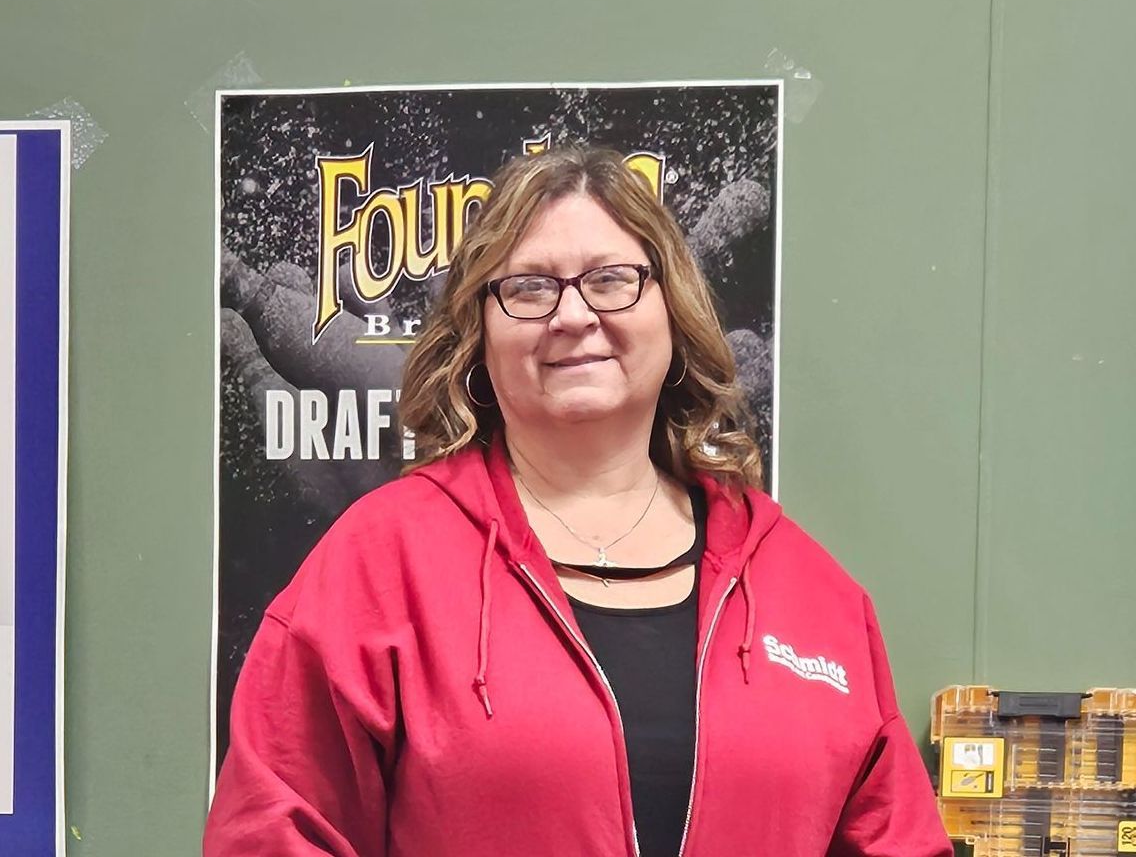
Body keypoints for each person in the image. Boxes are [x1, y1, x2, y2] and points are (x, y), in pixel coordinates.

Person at [204, 146, 952, 857]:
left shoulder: (812, 595)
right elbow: (273, 830)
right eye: (529, 287)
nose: (572, 315)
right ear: (479, 338)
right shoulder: (380, 563)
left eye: (612, 279)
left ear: (674, 311)